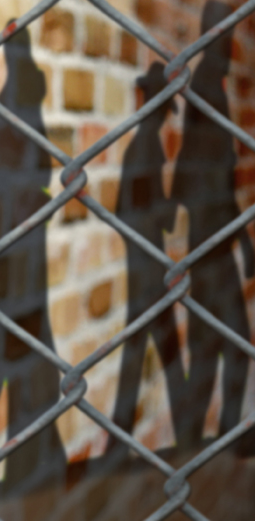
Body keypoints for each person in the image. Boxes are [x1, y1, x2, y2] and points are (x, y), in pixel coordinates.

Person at [0, 27, 67, 502]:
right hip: (14, 259)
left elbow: (35, 183)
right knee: (9, 363)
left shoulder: (17, 109)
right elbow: (11, 192)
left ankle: (34, 457)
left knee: (19, 362)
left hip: (23, 257)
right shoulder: (14, 111)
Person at [172, 0, 255, 456]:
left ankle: (198, 444)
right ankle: (228, 442)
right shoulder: (209, 89)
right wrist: (240, 238)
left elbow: (200, 174)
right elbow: (203, 178)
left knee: (210, 347)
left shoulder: (208, 85)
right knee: (232, 345)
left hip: (212, 239)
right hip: (211, 242)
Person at [108, 62, 186, 458]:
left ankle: (118, 441)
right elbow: (143, 211)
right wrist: (172, 203)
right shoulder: (146, 148)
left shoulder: (143, 144)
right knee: (153, 349)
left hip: (148, 262)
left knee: (145, 350)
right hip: (149, 265)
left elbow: (129, 209)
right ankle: (183, 435)